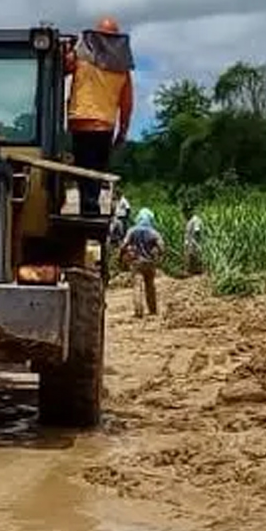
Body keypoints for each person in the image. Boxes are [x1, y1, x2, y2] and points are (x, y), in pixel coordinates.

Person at [64, 17, 135, 219]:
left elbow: (62, 67)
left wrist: (68, 48)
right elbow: (127, 105)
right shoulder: (122, 69)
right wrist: (123, 132)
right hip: (104, 125)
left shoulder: (81, 57)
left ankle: (87, 208)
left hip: (80, 121)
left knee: (83, 168)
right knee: (96, 170)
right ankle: (91, 208)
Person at [120, 208, 165, 317]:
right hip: (150, 263)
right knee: (150, 286)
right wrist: (160, 256)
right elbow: (162, 247)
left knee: (137, 286)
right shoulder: (153, 232)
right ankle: (153, 310)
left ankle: (138, 311)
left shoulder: (132, 231)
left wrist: (120, 256)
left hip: (136, 262)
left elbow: (124, 245)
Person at [184, 207, 205, 276]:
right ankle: (191, 272)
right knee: (190, 256)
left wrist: (194, 242)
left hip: (194, 242)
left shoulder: (195, 220)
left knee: (194, 256)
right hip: (190, 242)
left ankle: (196, 272)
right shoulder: (190, 220)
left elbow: (197, 231)